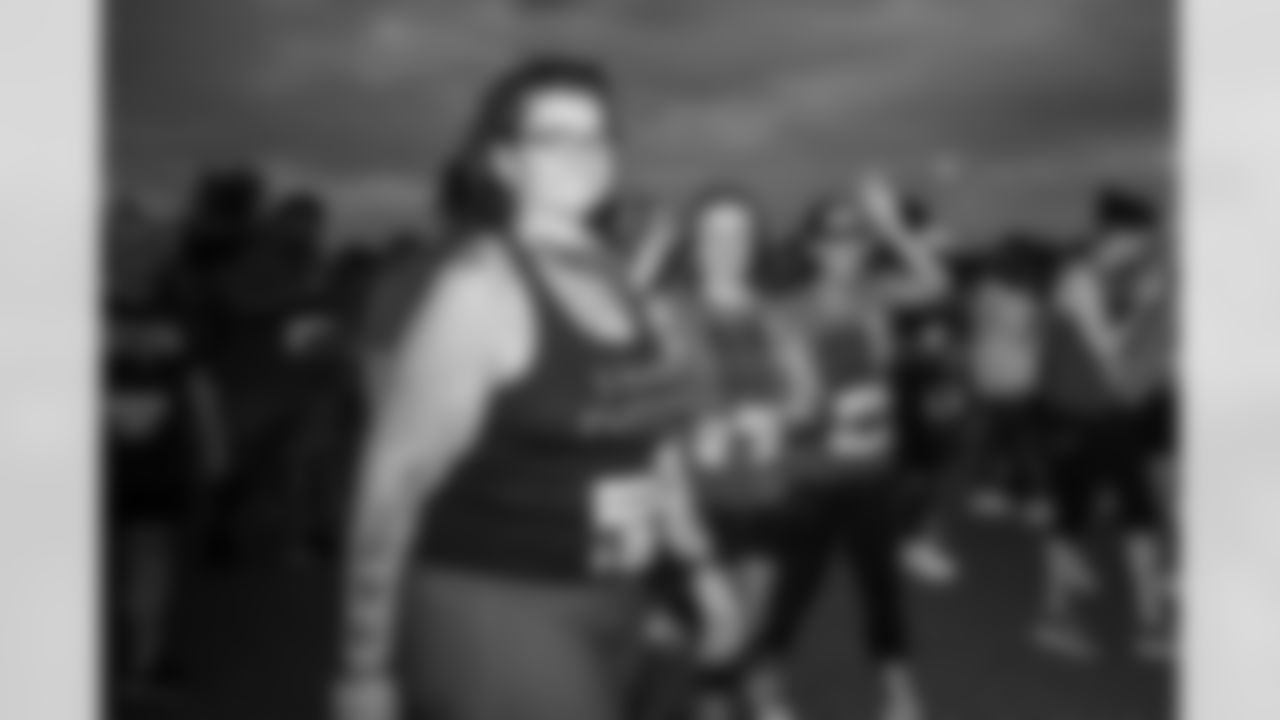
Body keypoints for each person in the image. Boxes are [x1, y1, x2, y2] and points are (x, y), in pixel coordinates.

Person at [330, 56, 743, 720]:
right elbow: (393, 482)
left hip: (615, 595)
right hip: (495, 602)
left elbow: (655, 448)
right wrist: (362, 669)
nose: (584, 153)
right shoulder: (480, 286)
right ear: (505, 162)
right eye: (554, 137)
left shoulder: (619, 282)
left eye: (598, 135)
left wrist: (701, 569)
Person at [747, 176, 947, 720]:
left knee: (881, 584)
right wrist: (806, 400)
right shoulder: (786, 309)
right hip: (812, 473)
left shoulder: (875, 292)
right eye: (833, 238)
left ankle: (897, 685)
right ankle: (765, 676)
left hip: (873, 469)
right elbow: (792, 398)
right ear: (812, 246)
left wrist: (892, 225)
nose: (846, 249)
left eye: (856, 237)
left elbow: (934, 284)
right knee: (798, 585)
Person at [648, 187, 816, 720]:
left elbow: (808, 395)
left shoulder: (777, 312)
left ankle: (735, 686)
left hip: (766, 488)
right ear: (694, 242)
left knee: (750, 613)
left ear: (755, 242)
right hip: (689, 495)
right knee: (706, 621)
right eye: (714, 233)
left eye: (739, 233)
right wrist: (693, 427)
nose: (727, 245)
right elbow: (633, 398)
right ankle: (712, 701)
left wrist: (778, 417)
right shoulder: (665, 310)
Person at [1034, 188, 1175, 662]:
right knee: (1072, 516)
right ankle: (1054, 616)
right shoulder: (1077, 279)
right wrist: (1144, 307)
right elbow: (1110, 351)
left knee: (1136, 513)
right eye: (1140, 241)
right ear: (1117, 236)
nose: (1143, 250)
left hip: (1105, 414)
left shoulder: (1113, 275)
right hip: (1073, 416)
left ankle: (1150, 622)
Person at [104, 200, 228, 696]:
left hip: (156, 458)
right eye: (122, 245)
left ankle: (144, 659)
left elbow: (199, 386)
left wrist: (216, 448)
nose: (133, 256)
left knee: (149, 553)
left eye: (143, 246)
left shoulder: (179, 315)